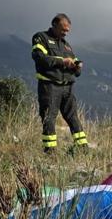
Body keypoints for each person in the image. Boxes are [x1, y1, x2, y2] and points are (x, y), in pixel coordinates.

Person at [31, 14, 88, 153]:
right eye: (63, 29)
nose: (66, 32)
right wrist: (62, 61)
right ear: (54, 25)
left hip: (68, 87)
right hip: (50, 86)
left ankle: (82, 148)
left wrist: (77, 67)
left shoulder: (66, 45)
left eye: (68, 30)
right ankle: (50, 151)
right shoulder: (41, 38)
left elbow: (76, 72)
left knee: (72, 117)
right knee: (49, 117)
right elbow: (40, 58)